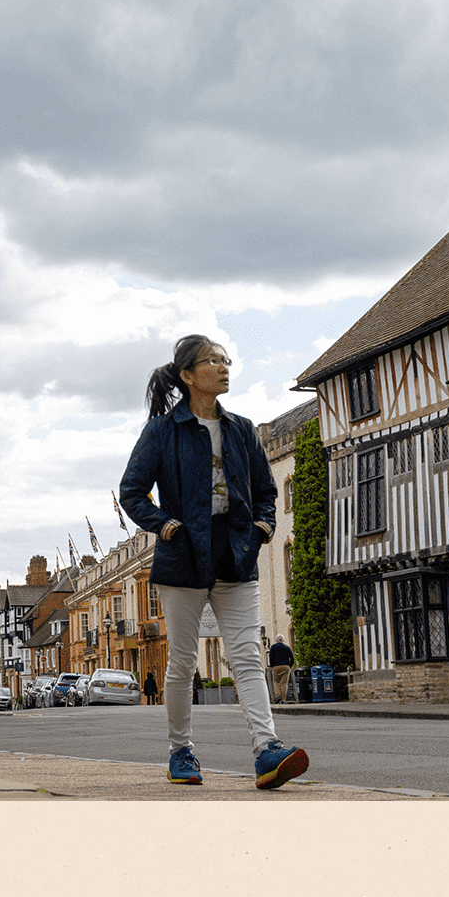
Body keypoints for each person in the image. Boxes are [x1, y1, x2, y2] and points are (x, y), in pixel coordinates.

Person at [119, 335, 310, 790]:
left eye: (226, 360)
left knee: (247, 654)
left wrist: (264, 527)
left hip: (236, 552)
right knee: (182, 662)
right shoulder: (162, 431)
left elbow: (266, 491)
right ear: (188, 375)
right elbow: (132, 491)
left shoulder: (242, 429)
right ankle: (180, 752)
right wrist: (164, 525)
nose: (224, 368)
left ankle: (267, 750)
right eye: (212, 361)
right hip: (183, 552)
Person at [268, 635, 295, 705]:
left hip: (276, 667)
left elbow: (270, 657)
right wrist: (289, 666)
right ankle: (284, 700)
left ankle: (277, 696)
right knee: (284, 683)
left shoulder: (273, 647)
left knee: (276, 682)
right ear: (283, 640)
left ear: (276, 640)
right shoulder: (287, 647)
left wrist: (272, 666)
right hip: (285, 667)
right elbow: (292, 658)